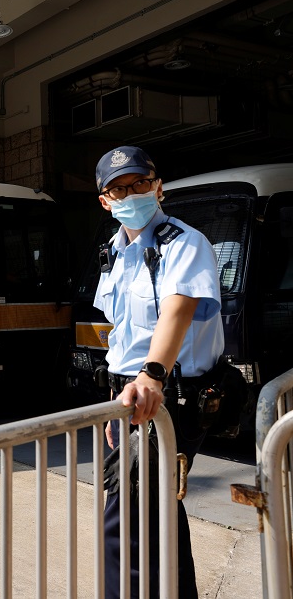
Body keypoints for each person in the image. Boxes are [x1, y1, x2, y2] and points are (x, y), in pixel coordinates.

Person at [92, 146, 225, 598]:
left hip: (165, 396)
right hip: (126, 397)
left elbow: (177, 310)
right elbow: (120, 329)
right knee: (156, 511)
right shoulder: (113, 251)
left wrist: (151, 375)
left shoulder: (184, 243)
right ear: (105, 201)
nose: (131, 194)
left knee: (126, 518)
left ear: (158, 186)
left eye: (139, 184)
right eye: (119, 189)